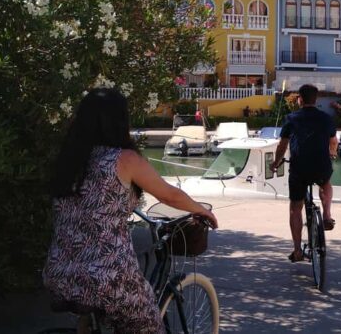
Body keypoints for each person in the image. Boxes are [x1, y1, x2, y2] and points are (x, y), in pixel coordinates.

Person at [43, 88, 218, 333]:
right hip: (107, 278)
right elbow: (169, 195)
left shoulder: (71, 159)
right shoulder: (124, 159)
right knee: (148, 326)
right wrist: (202, 211)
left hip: (59, 273)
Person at [271, 84, 337, 263]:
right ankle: (327, 215)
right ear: (316, 100)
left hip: (299, 168)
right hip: (321, 166)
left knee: (295, 208)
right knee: (325, 183)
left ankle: (297, 250)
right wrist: (332, 153)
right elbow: (333, 142)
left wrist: (275, 163)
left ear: (300, 99)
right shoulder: (326, 118)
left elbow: (282, 145)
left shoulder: (291, 118)